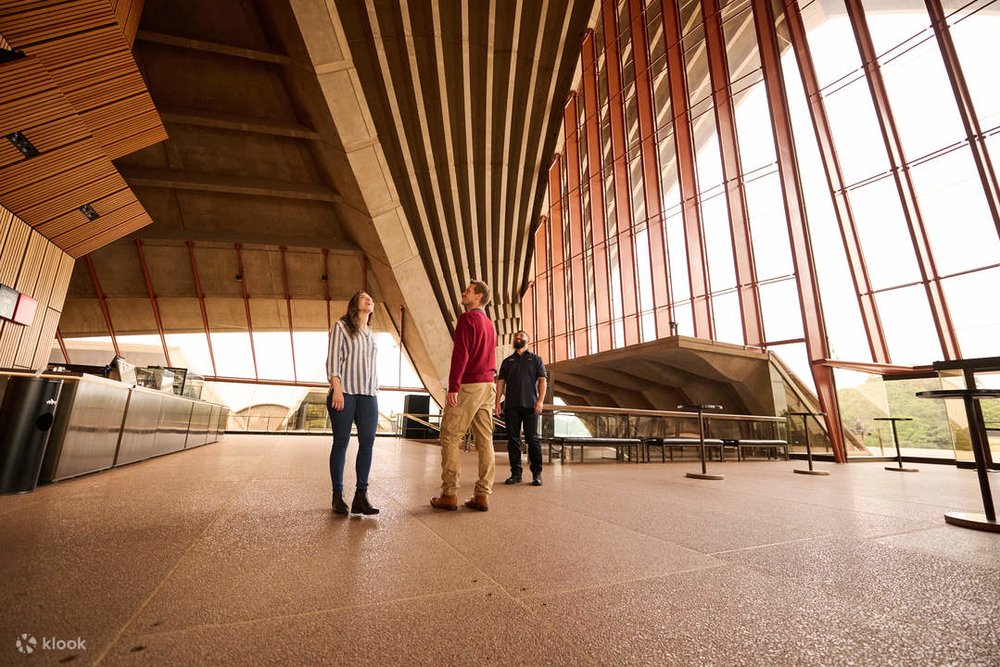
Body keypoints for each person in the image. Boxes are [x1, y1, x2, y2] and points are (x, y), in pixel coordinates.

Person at [430, 280, 498, 512]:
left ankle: (449, 494)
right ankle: (482, 495)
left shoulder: (467, 319)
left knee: (449, 436)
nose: (464, 293)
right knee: (485, 440)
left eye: (468, 291)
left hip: (469, 384)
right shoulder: (490, 324)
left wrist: (454, 386)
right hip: (488, 386)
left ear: (478, 297)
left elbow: (461, 354)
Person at [326, 290, 380, 516]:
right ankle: (337, 496)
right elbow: (333, 360)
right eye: (363, 298)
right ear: (354, 305)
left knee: (367, 444)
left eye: (370, 298)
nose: (369, 300)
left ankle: (361, 496)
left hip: (368, 395)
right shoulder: (342, 326)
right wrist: (336, 389)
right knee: (341, 442)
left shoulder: (372, 334)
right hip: (345, 392)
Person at [495, 330, 547, 486]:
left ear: (528, 341)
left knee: (533, 440)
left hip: (531, 406)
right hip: (511, 406)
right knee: (513, 440)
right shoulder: (507, 361)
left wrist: (540, 401)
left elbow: (543, 381)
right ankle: (516, 474)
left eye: (522, 336)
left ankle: (537, 474)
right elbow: (500, 383)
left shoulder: (536, 359)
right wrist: (497, 403)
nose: (518, 338)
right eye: (516, 336)